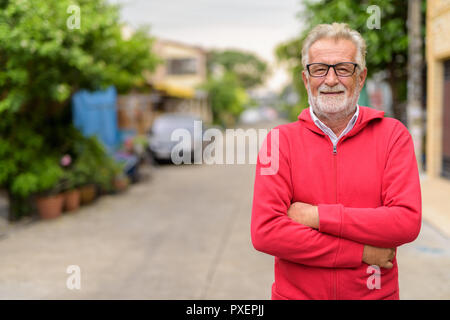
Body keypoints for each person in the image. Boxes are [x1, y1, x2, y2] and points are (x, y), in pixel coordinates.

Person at [250, 23, 421, 300]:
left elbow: (405, 222)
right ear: (306, 79)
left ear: (361, 77)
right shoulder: (278, 141)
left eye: (343, 68)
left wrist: (317, 216)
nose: (331, 80)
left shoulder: (393, 136)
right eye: (319, 69)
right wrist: (362, 253)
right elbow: (266, 232)